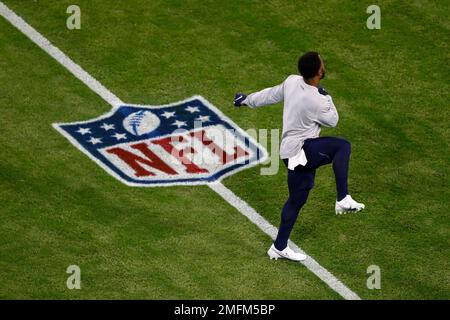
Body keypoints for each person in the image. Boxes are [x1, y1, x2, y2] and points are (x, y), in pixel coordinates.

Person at [234, 51, 365, 262]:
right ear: (318, 72)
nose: (324, 64)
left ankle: (279, 247)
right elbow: (333, 120)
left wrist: (246, 100)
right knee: (342, 147)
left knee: (297, 199)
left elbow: (270, 94)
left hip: (289, 152)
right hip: (302, 149)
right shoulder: (316, 100)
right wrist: (326, 96)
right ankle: (342, 197)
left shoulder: (292, 81)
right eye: (322, 63)